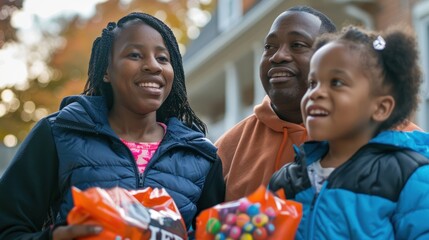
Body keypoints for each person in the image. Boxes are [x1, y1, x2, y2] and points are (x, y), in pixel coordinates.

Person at [0, 12, 225, 239]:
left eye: (163, 58)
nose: (153, 66)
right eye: (135, 55)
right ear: (106, 71)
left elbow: (215, 234)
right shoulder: (59, 134)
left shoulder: (201, 157)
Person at [269, 25, 429, 239]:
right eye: (312, 83)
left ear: (381, 108)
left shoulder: (409, 176)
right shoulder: (286, 179)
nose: (316, 93)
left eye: (336, 82)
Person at [215, 6, 337, 201]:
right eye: (269, 47)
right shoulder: (228, 148)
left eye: (297, 44)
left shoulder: (368, 135)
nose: (277, 56)